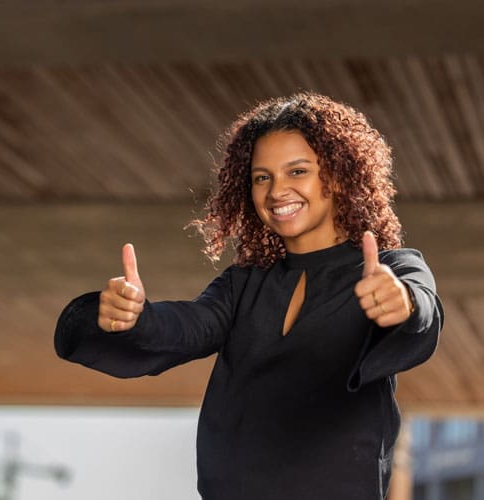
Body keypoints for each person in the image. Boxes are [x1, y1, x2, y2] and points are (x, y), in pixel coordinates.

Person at [54, 92, 443, 499]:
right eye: (262, 177)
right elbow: (187, 326)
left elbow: (423, 316)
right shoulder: (244, 284)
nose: (277, 191)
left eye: (297, 171)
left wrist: (404, 305)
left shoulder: (394, 268)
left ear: (340, 174)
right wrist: (135, 318)